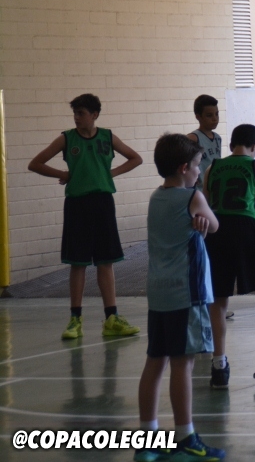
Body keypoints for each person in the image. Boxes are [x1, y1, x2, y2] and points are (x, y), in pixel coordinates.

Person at [134, 134, 225, 462]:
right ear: (184, 168)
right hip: (186, 294)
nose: (200, 171)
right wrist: (202, 220)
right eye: (198, 165)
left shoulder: (156, 197)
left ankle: (147, 440)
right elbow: (215, 226)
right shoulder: (193, 197)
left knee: (155, 362)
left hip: (159, 292)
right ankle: (186, 437)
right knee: (183, 365)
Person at [27, 93, 143, 340]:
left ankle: (111, 317)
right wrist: (63, 174)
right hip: (77, 204)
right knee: (77, 262)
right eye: (75, 113)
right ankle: (75, 319)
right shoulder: (66, 138)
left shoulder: (108, 137)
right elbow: (35, 163)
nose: (76, 118)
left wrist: (111, 173)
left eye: (81, 113)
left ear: (94, 114)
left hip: (103, 202)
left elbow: (136, 158)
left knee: (105, 261)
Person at [204, 123, 255, 388]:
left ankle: (219, 366)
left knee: (218, 299)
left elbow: (206, 206)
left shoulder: (212, 168)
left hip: (217, 232)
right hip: (246, 229)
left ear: (231, 145)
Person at [186, 95, 222, 184]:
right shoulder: (193, 138)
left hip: (215, 185)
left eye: (217, 114)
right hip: (200, 187)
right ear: (198, 117)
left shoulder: (218, 138)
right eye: (209, 115)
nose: (215, 119)